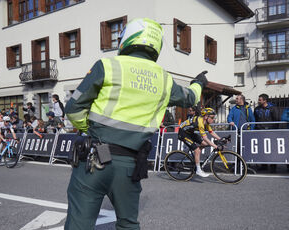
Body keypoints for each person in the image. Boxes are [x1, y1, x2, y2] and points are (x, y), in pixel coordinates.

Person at [64, 18, 208, 230]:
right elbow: (190, 98)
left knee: (79, 225)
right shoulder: (164, 79)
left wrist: (90, 129)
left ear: (126, 39)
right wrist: (198, 83)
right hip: (130, 165)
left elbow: (73, 109)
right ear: (156, 44)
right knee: (128, 224)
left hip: (93, 160)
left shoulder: (107, 66)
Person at [178, 108, 221, 177]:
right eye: (212, 117)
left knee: (205, 144)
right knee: (197, 150)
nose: (213, 119)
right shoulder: (200, 122)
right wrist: (214, 145)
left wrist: (220, 139)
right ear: (206, 116)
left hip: (190, 133)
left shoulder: (206, 122)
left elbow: (211, 132)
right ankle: (198, 170)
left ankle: (196, 156)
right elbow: (205, 138)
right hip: (183, 133)